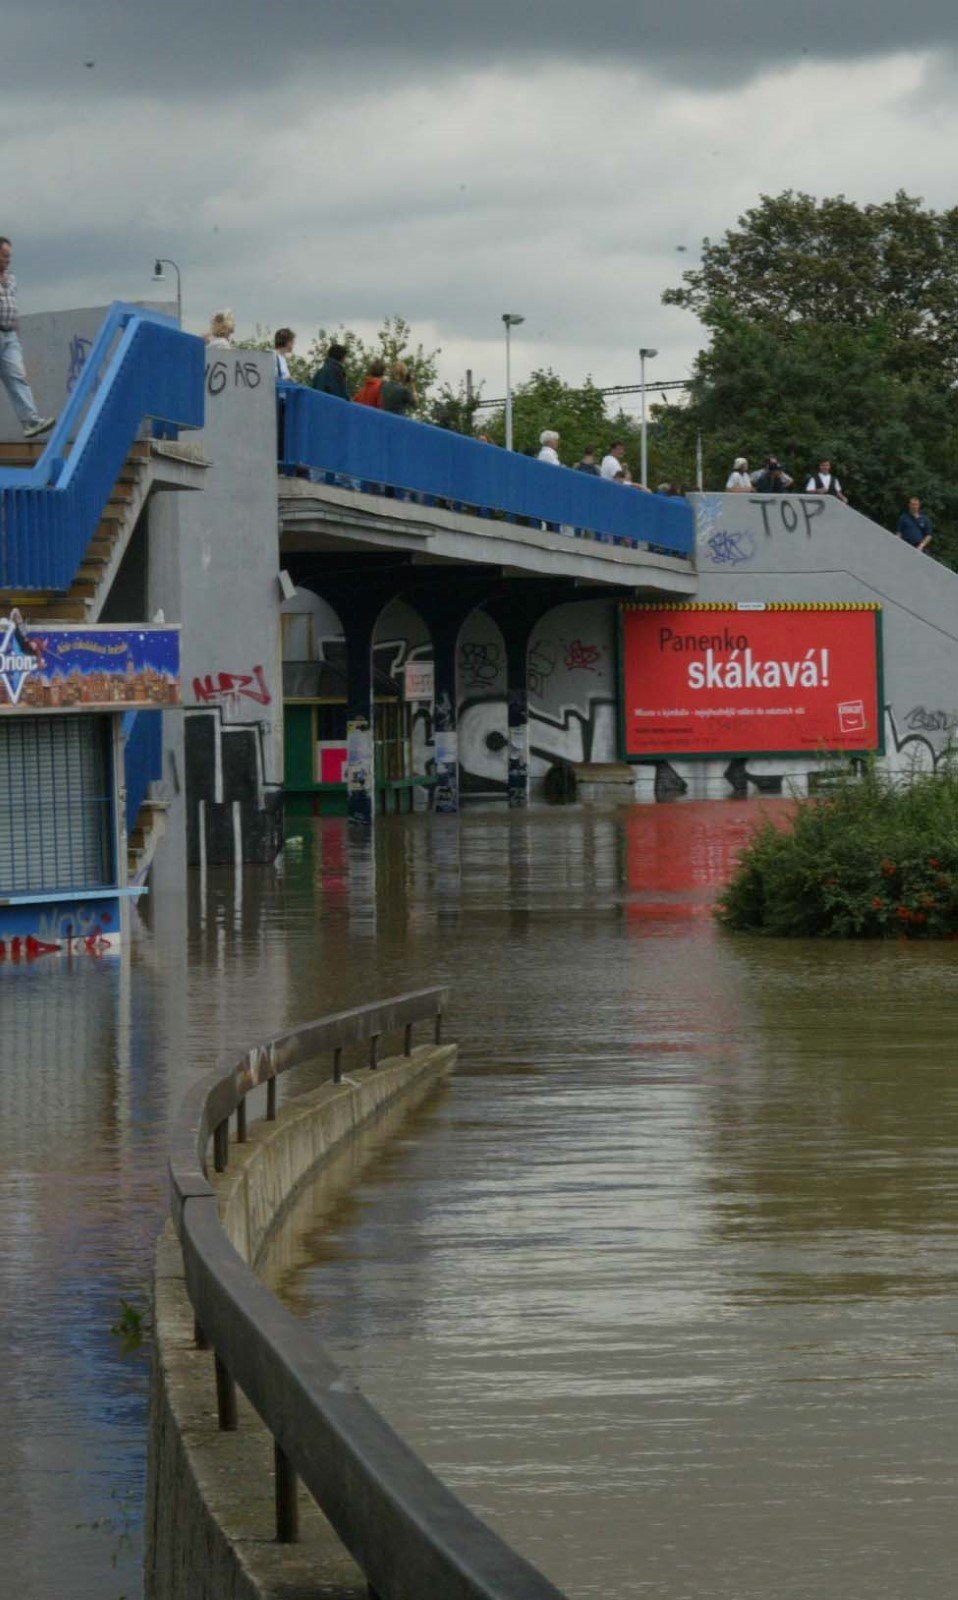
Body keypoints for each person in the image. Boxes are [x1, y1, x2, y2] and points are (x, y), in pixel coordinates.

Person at [0, 236, 55, 438]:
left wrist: (15, 331)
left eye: (10, 256)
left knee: (18, 379)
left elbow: (12, 305)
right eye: (5, 255)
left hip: (9, 336)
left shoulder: (12, 278)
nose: (8, 259)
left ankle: (31, 422)